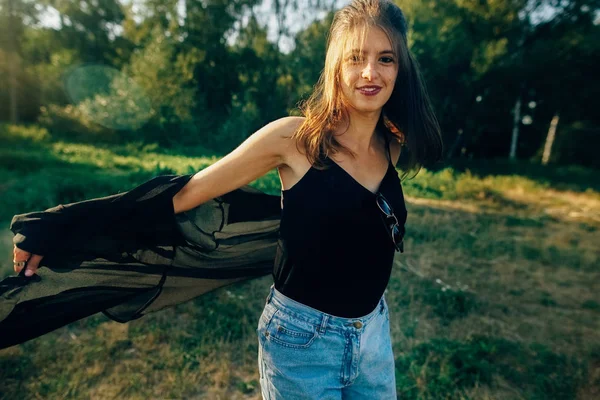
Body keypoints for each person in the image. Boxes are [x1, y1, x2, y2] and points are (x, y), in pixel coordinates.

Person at [13, 0, 442, 397]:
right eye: (356, 58)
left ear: (401, 67)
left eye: (385, 59)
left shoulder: (392, 144)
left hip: (373, 335)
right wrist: (57, 228)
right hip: (302, 342)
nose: (370, 73)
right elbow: (186, 194)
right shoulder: (294, 139)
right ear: (336, 67)